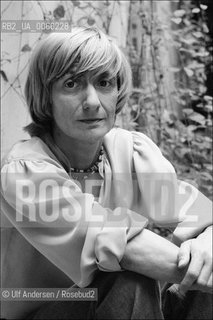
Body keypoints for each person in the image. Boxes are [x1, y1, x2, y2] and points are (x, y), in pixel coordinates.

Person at [1, 26, 212, 320]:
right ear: (46, 96)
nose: (92, 102)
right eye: (72, 84)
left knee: (200, 280)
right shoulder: (25, 172)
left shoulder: (129, 152)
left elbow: (197, 214)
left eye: (104, 82)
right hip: (40, 311)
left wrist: (207, 241)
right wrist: (203, 268)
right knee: (128, 279)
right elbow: (117, 245)